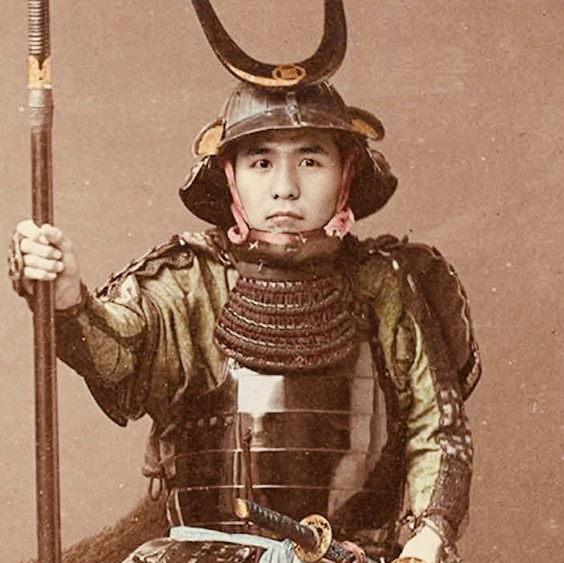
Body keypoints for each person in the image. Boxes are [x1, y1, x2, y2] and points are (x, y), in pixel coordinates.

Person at [8, 3, 480, 563]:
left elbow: (437, 427)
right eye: (261, 162)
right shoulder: (193, 281)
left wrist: (428, 536)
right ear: (229, 175)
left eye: (310, 161)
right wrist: (67, 298)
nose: (285, 187)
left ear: (346, 171)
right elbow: (119, 349)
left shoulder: (387, 286)